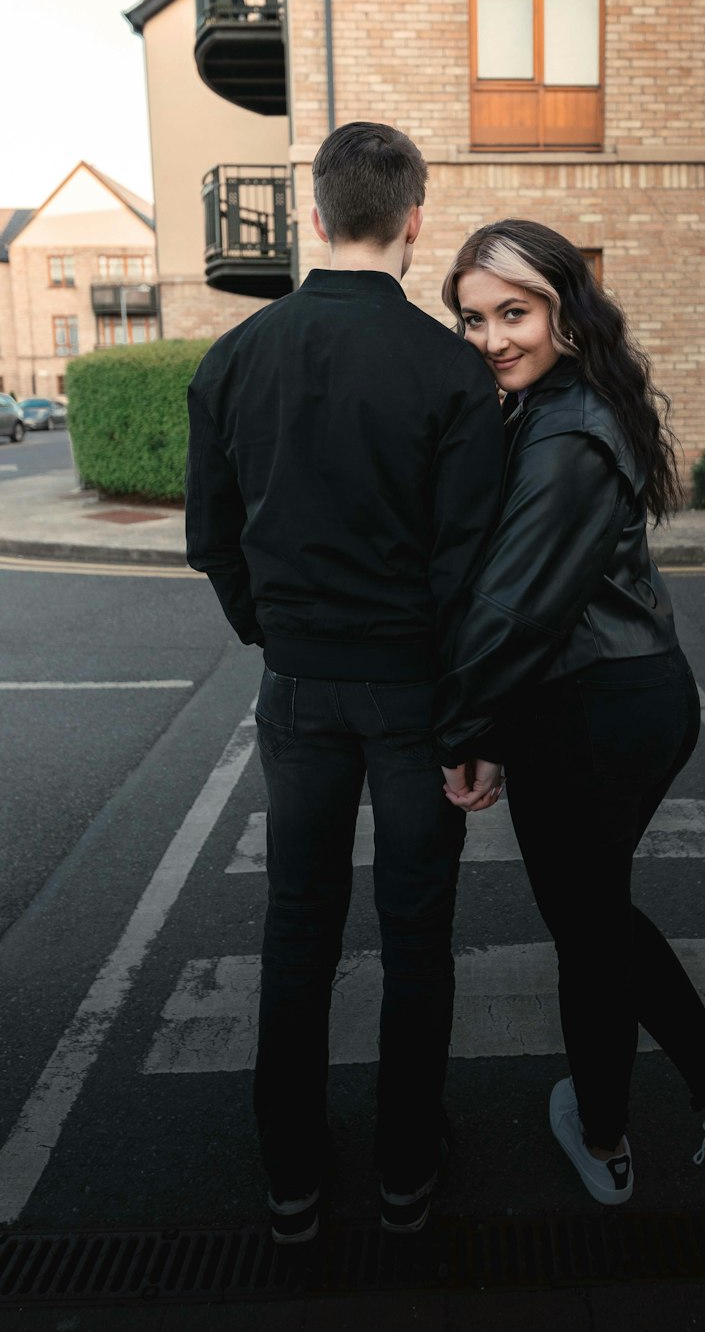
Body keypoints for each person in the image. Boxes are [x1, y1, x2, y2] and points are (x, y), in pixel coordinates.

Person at [433, 220, 705, 1237]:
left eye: (515, 312)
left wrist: (464, 727)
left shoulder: (567, 432)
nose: (493, 337)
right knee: (591, 923)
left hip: (595, 710)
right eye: (472, 318)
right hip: (597, 699)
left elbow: (515, 606)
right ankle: (615, 1131)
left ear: (564, 310)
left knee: (589, 922)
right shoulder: (559, 407)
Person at [185, 122, 505, 1243]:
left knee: (297, 926)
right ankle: (408, 1168)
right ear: (414, 219)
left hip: (302, 687)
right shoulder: (453, 372)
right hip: (417, 693)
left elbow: (211, 540)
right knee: (417, 936)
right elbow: (470, 572)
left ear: (316, 217)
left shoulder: (233, 359)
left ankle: (291, 1178)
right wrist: (474, 722)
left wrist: (270, 634)